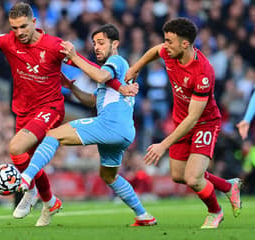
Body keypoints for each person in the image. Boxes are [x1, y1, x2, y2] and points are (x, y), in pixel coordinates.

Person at [0, 2, 129, 226]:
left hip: (50, 108)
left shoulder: (55, 46)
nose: (19, 33)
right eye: (14, 28)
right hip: (23, 111)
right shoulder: (8, 41)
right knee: (24, 160)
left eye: (23, 27)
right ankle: (50, 202)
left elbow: (89, 68)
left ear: (34, 22)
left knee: (15, 148)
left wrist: (118, 85)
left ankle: (30, 192)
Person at [18, 23, 156, 227]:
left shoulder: (116, 61)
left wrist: (74, 56)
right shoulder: (116, 71)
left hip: (110, 125)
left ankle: (26, 178)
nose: (96, 47)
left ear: (115, 43)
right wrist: (72, 88)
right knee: (108, 175)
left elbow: (100, 75)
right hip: (124, 131)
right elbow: (94, 101)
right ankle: (143, 215)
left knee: (53, 135)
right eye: (94, 44)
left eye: (101, 43)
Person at [125, 18, 242, 229]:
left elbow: (194, 118)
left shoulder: (203, 72)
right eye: (165, 40)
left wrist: (163, 144)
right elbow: (155, 50)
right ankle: (228, 186)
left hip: (203, 123)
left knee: (193, 178)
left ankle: (215, 212)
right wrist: (136, 67)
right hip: (181, 121)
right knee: (179, 176)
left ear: (185, 44)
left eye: (169, 41)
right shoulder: (170, 53)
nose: (165, 46)